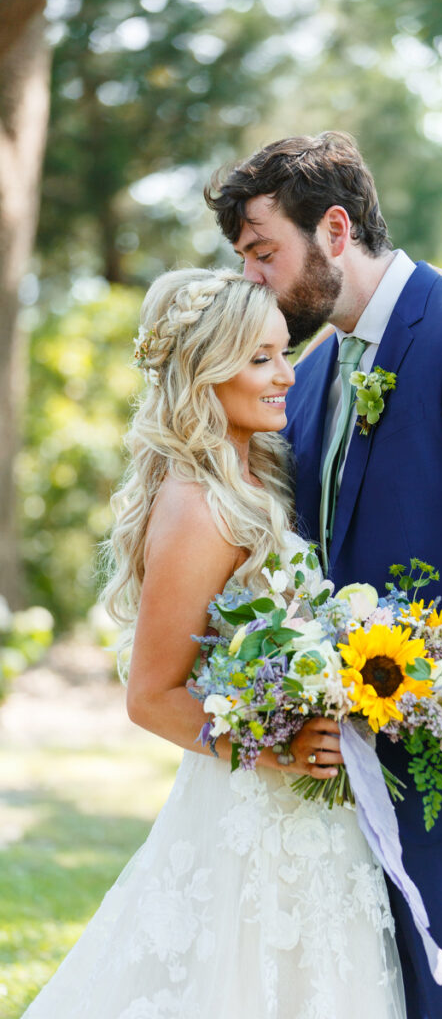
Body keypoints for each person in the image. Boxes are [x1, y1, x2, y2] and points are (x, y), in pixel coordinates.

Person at [204, 131, 442, 1019]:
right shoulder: (311, 374)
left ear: (334, 229)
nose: (254, 281)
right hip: (346, 766)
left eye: (266, 253)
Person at [22, 267, 406, 1019]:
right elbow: (151, 696)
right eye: (259, 358)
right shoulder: (196, 507)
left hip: (309, 809)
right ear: (204, 371)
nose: (286, 375)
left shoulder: (254, 477)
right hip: (253, 813)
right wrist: (274, 750)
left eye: (280, 352)